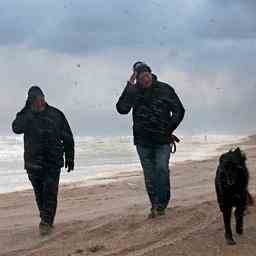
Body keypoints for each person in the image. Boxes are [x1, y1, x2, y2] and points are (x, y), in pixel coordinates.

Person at [116, 62, 185, 218]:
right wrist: (129, 85)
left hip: (162, 140)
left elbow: (179, 110)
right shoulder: (133, 91)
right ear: (137, 78)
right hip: (142, 141)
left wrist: (169, 129)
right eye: (141, 77)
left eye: (146, 76)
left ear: (151, 74)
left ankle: (162, 204)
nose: (145, 79)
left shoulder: (165, 89)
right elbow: (122, 109)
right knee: (149, 175)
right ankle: (155, 206)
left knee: (161, 169)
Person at [12, 86, 75, 235]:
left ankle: (46, 222)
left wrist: (70, 156)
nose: (40, 102)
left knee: (50, 193)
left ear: (44, 98)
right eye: (35, 100)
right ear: (30, 101)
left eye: (41, 99)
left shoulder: (56, 114)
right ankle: (45, 218)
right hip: (33, 164)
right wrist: (28, 111)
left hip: (52, 162)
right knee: (40, 195)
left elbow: (67, 137)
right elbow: (16, 128)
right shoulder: (26, 115)